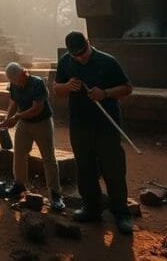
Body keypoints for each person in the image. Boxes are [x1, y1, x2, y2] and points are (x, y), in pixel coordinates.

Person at [54, 32, 135, 235]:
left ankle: (121, 212)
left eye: (83, 53)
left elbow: (127, 88)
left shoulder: (107, 61)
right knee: (85, 167)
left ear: (89, 44)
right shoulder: (66, 62)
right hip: (80, 124)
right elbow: (56, 89)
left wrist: (105, 93)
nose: (80, 58)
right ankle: (91, 208)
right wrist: (67, 86)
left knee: (113, 168)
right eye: (76, 55)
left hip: (106, 125)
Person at [0, 62, 64, 211]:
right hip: (24, 123)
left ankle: (55, 193)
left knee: (48, 158)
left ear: (23, 73)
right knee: (20, 154)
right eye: (13, 81)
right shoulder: (14, 84)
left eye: (17, 79)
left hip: (42, 122)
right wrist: (7, 118)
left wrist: (15, 117)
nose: (16, 83)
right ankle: (19, 184)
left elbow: (36, 109)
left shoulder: (37, 83)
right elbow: (13, 102)